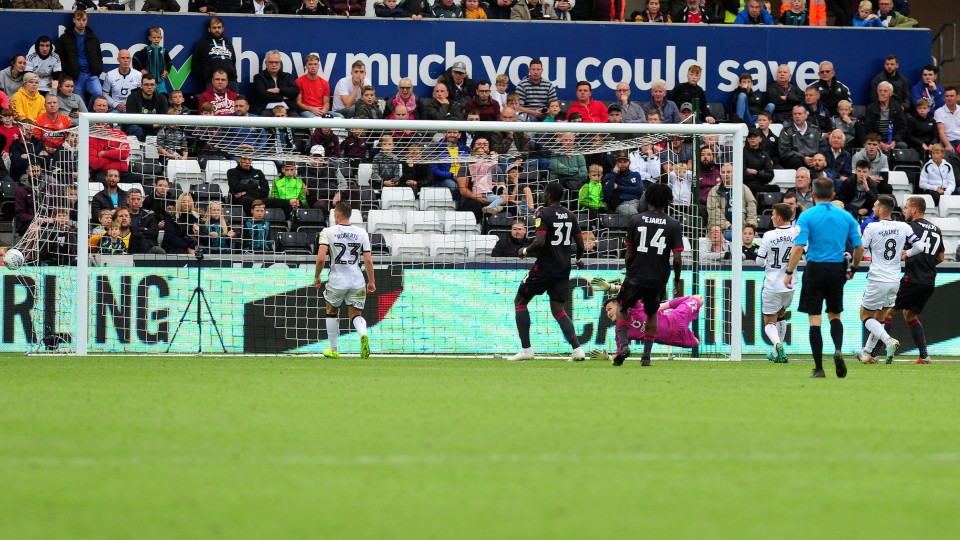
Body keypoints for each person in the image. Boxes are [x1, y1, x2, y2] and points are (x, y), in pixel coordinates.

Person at [784, 177, 864, 378]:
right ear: (833, 194)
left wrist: (789, 272)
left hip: (815, 269)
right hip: (837, 269)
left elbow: (799, 247)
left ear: (813, 194)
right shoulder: (846, 216)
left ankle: (819, 368)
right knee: (835, 315)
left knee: (815, 319)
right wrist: (853, 268)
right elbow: (859, 247)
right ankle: (837, 349)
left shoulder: (807, 216)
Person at [607, 183, 684, 366]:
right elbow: (677, 259)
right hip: (658, 277)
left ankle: (624, 345)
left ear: (648, 199)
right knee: (652, 313)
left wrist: (629, 272)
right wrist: (676, 279)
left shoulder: (636, 220)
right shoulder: (673, 224)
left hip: (636, 275)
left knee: (622, 308)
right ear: (667, 201)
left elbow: (629, 253)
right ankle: (646, 357)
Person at [509, 182, 586, 362]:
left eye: (544, 193)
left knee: (520, 301)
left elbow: (540, 241)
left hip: (545, 266)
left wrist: (524, 251)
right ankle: (577, 349)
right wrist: (577, 260)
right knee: (558, 309)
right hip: (563, 268)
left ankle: (526, 349)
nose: (543, 196)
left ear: (549, 195)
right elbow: (581, 245)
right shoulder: (570, 215)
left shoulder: (543, 213)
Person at [854, 195, 925, 365]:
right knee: (880, 317)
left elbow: (862, 250)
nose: (872, 209)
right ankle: (867, 353)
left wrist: (853, 261)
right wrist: (906, 253)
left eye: (874, 206)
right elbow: (920, 246)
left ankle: (888, 341)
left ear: (881, 209)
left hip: (878, 278)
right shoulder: (903, 226)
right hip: (894, 280)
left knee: (865, 315)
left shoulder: (872, 227)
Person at [314, 202, 376, 360]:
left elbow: (321, 259)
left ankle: (334, 350)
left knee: (331, 311)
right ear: (350, 215)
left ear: (336, 215)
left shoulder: (327, 232)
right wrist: (371, 281)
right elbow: (368, 260)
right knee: (356, 314)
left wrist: (317, 276)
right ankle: (363, 334)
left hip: (337, 280)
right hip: (357, 280)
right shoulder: (362, 232)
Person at [889, 197, 944, 364]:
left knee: (887, 311)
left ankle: (874, 353)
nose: (904, 211)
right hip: (929, 282)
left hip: (912, 279)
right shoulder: (936, 229)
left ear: (914, 210)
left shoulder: (910, 227)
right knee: (910, 315)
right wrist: (927, 264)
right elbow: (941, 257)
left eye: (906, 207)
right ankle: (924, 356)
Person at [591, 287, 702, 355]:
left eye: (610, 309)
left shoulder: (633, 306)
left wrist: (611, 287)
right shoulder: (620, 331)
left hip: (676, 317)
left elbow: (629, 290)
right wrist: (608, 357)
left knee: (698, 298)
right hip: (673, 339)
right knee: (696, 343)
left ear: (618, 305)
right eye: (606, 311)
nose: (608, 313)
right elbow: (619, 352)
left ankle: (663, 306)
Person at [755, 203, 798, 363]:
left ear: (779, 217)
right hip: (790, 284)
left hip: (772, 284)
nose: (771, 217)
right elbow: (804, 253)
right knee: (781, 315)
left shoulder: (768, 235)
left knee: (769, 322)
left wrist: (768, 261)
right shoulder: (797, 233)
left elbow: (759, 262)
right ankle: (775, 353)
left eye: (773, 214)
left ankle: (777, 344)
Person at [56, 10, 104, 103]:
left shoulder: (93, 38)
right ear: (74, 20)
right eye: (78, 19)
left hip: (91, 73)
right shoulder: (64, 38)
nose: (81, 22)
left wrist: (98, 69)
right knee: (79, 100)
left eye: (84, 19)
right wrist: (69, 71)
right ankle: (83, 111)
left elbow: (99, 56)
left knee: (98, 94)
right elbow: (58, 58)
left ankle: (89, 111)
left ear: (87, 20)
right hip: (76, 76)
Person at [707, 163, 758, 241]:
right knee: (732, 236)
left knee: (757, 239)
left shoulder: (744, 189)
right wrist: (729, 226)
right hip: (723, 229)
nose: (726, 174)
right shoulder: (714, 191)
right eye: (723, 172)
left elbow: (752, 211)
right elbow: (714, 214)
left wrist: (750, 228)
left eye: (728, 172)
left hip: (743, 229)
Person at [191, 17, 237, 91]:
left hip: (231, 81)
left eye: (219, 27)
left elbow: (233, 61)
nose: (217, 30)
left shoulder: (229, 44)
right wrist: (206, 79)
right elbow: (195, 65)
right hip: (212, 81)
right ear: (209, 29)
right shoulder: (202, 44)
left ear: (223, 29)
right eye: (214, 28)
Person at [251, 50, 300, 117]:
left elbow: (295, 91)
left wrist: (279, 90)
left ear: (280, 63)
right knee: (264, 117)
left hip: (287, 109)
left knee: (296, 118)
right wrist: (283, 97)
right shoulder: (259, 77)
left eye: (276, 62)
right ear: (266, 63)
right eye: (271, 62)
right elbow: (262, 95)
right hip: (267, 109)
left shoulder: (287, 76)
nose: (274, 65)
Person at [863, 81, 908, 153]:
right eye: (880, 91)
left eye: (885, 91)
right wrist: (880, 143)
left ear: (891, 93)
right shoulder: (870, 109)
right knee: (872, 147)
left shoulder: (897, 108)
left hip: (893, 140)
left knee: (903, 146)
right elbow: (868, 130)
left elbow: (902, 128)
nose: (882, 93)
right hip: (876, 141)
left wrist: (894, 141)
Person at [124, 74, 168, 140]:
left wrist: (154, 125)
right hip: (139, 126)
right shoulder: (132, 97)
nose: (149, 87)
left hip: (156, 126)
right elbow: (133, 118)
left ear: (155, 86)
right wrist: (151, 125)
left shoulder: (162, 98)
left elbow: (164, 117)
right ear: (141, 86)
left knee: (164, 128)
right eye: (146, 84)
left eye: (152, 85)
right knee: (134, 128)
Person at [778, 105, 823, 170]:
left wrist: (816, 158)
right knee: (796, 161)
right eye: (795, 114)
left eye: (799, 114)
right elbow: (785, 151)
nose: (797, 116)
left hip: (813, 159)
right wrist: (803, 158)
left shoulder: (815, 130)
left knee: (820, 162)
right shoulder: (786, 130)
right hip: (796, 159)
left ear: (806, 115)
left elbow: (822, 147)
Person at [602, 150, 644, 215]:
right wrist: (614, 174)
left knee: (651, 193)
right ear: (616, 163)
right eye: (620, 162)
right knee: (631, 212)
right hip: (622, 204)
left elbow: (640, 190)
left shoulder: (635, 174)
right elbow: (607, 194)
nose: (622, 164)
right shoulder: (610, 176)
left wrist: (618, 187)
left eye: (625, 161)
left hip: (638, 202)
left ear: (629, 162)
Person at [102, 49, 141, 114]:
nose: (125, 60)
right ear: (118, 59)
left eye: (127, 58)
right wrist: (115, 104)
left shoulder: (138, 75)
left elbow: (140, 94)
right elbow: (104, 93)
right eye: (123, 58)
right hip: (115, 109)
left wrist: (131, 104)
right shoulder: (110, 75)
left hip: (132, 108)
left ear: (130, 59)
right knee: (110, 117)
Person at [295, 53, 332, 118]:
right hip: (307, 111)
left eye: (315, 64)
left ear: (318, 66)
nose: (313, 66)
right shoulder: (299, 81)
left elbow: (326, 103)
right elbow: (298, 103)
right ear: (306, 66)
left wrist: (324, 110)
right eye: (310, 64)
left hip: (321, 110)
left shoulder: (325, 83)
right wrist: (310, 108)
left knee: (340, 117)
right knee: (314, 119)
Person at [935, 87, 960, 155]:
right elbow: (941, 132)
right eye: (947, 96)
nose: (949, 98)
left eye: (951, 96)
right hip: (948, 141)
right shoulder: (939, 112)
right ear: (944, 97)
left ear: (957, 97)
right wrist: (948, 145)